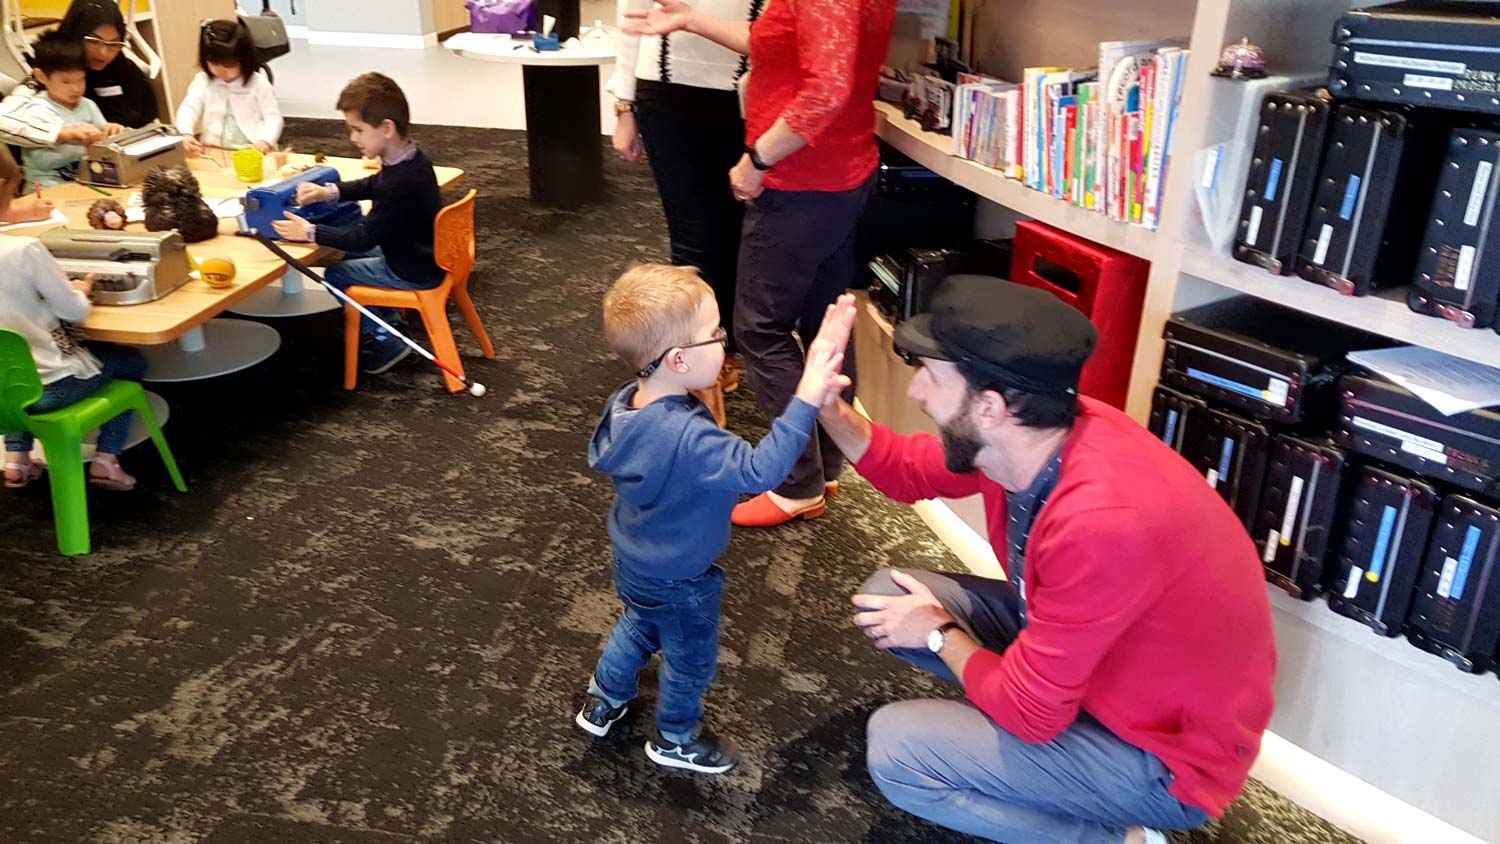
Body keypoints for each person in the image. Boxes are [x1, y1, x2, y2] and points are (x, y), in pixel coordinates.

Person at [812, 278, 1276, 844]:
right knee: (889, 593)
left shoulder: (1102, 519)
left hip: (1166, 760)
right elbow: (903, 468)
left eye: (932, 375)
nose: (917, 392)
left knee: (901, 752)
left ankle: (1123, 837)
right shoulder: (1034, 435)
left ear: (988, 407)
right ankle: (1043, 746)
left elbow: (1032, 714)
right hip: (1101, 673)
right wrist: (827, 405)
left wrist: (941, 635)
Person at [625, 0, 899, 528]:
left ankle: (797, 482)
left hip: (801, 180)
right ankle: (826, 462)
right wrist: (691, 20)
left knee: (760, 329)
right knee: (823, 322)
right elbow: (786, 44)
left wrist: (757, 159)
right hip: (834, 174)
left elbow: (825, 92)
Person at [576, 264, 851, 774]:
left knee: (638, 624)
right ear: (679, 359)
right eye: (716, 334)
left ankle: (604, 698)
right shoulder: (689, 438)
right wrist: (807, 394)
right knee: (690, 659)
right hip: (682, 574)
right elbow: (762, 467)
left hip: (635, 558)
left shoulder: (627, 405)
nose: (725, 343)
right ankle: (675, 738)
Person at [608, 0, 761, 398]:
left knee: (738, 229)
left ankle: (728, 341)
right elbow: (633, 17)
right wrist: (624, 107)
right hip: (665, 93)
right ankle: (699, 349)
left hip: (749, 94)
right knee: (691, 235)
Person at [271, 73, 443, 376]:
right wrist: (330, 191)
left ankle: (388, 340)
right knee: (351, 257)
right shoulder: (411, 159)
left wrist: (310, 232)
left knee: (338, 273)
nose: (353, 138)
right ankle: (390, 318)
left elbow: (363, 236)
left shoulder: (400, 183)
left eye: (357, 130)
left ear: (386, 128)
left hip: (412, 269)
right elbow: (374, 183)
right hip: (421, 255)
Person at [0, 146, 144, 491]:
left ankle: (16, 462)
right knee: (131, 362)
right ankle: (107, 461)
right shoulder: (24, 251)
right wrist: (79, 289)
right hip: (51, 389)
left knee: (11, 372)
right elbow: (75, 312)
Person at [16, 30, 125, 188]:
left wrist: (113, 132)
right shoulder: (37, 111)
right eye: (66, 82)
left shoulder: (88, 105)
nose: (76, 89)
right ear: (41, 77)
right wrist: (86, 146)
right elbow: (41, 161)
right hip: (47, 188)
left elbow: (105, 143)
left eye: (81, 80)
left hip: (87, 182)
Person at [176, 19, 283, 155]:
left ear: (244, 60)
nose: (221, 71)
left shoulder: (258, 84)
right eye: (214, 64)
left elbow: (273, 116)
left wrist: (266, 141)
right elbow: (190, 107)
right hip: (214, 149)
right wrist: (186, 133)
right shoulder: (203, 81)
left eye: (229, 65)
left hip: (253, 150)